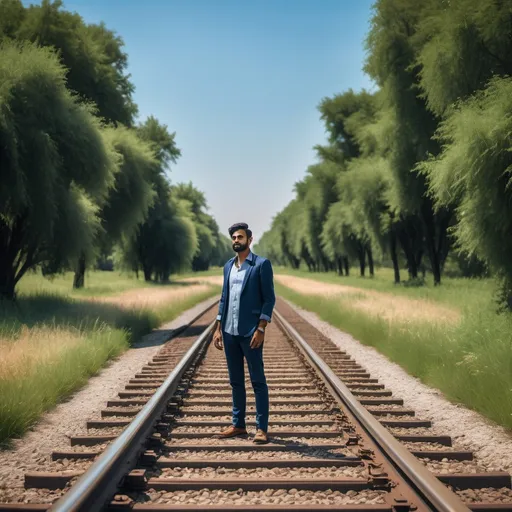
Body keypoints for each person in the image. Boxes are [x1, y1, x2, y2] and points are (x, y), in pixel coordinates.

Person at [212, 222, 276, 444]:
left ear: (250, 239)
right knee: (235, 381)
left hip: (251, 332)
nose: (236, 240)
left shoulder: (261, 265)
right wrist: (218, 328)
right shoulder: (228, 266)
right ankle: (239, 425)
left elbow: (269, 300)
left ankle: (261, 429)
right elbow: (224, 298)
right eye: (233, 238)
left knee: (258, 380)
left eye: (240, 237)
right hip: (229, 331)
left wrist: (261, 328)